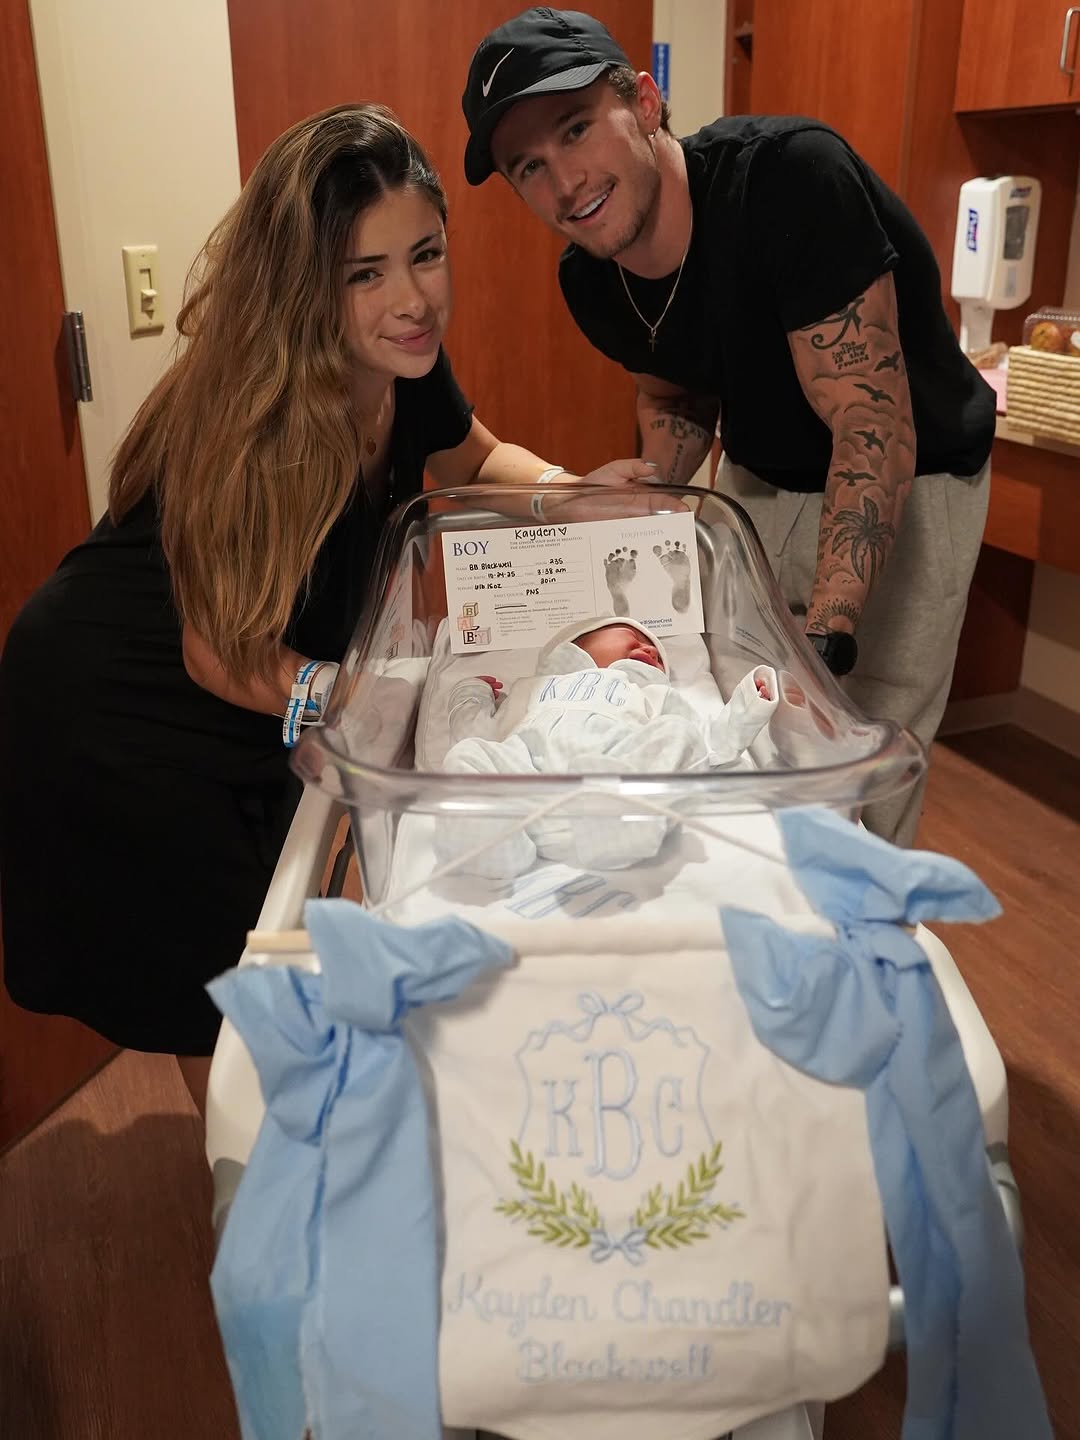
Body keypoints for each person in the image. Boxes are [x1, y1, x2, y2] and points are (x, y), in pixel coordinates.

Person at [0, 104, 654, 1117]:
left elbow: (473, 457)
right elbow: (219, 650)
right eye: (365, 273)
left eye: (425, 254)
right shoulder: (261, 423)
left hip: (236, 679)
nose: (412, 299)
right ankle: (254, 1184)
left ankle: (280, 1154)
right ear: (305, 283)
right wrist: (357, 701)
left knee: (269, 949)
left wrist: (574, 494)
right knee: (223, 999)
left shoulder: (400, 363)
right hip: (118, 700)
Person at [460, 7, 997, 847]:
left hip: (906, 469)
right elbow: (675, 394)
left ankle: (859, 903)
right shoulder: (590, 279)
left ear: (643, 102)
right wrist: (656, 503)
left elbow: (870, 420)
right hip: (759, 468)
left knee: (861, 740)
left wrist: (827, 633)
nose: (563, 183)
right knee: (742, 701)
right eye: (528, 166)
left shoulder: (789, 179)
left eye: (575, 128)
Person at [435, 615, 776, 877]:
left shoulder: (652, 694)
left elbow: (707, 740)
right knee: (468, 755)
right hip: (526, 785)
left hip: (614, 778)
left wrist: (747, 706)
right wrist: (471, 693)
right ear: (572, 646)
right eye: (633, 637)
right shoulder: (530, 689)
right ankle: (490, 844)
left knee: (679, 733)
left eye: (657, 654)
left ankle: (624, 820)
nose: (651, 649)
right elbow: (474, 732)